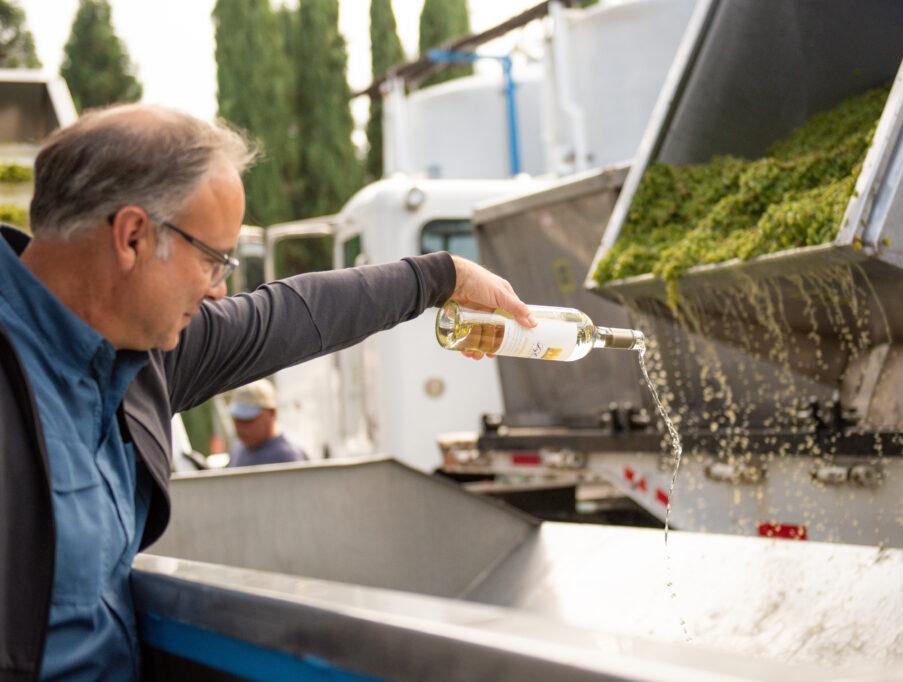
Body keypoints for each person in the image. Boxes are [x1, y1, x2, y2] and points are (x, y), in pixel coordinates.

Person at [0, 103, 536, 681]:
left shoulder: (139, 357)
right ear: (132, 236)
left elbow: (284, 318)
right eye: (212, 259)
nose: (218, 289)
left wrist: (441, 278)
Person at [225, 378, 307, 467]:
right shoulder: (239, 448)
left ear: (272, 413)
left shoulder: (289, 457)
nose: (240, 427)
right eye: (237, 419)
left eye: (248, 419)